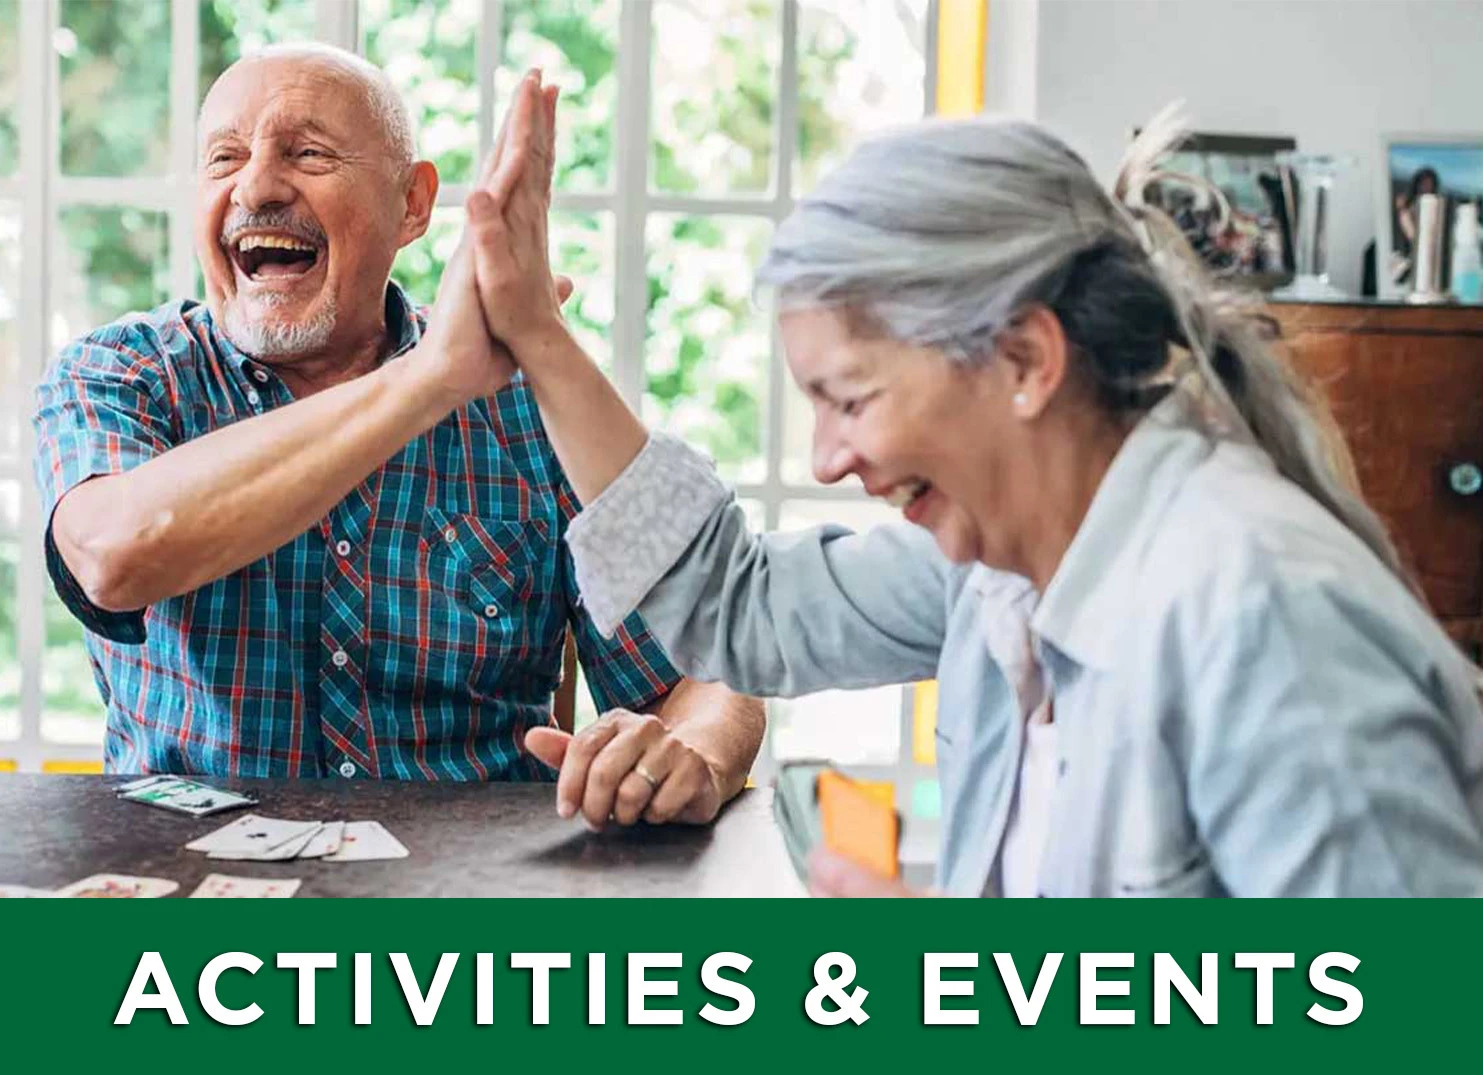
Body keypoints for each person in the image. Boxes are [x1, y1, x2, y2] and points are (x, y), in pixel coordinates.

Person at [463, 83, 1483, 896]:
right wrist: (539, 341)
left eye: (849, 399)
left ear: (1026, 361)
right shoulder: (1004, 563)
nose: (825, 459)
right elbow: (741, 605)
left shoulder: (1267, 620)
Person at [31, 45, 764, 831]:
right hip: (182, 898)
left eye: (307, 153)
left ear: (412, 205)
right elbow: (115, 555)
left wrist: (692, 753)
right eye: (224, 158)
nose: (256, 185)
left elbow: (705, 671)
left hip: (470, 900)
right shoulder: (119, 374)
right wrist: (430, 379)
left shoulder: (538, 410)